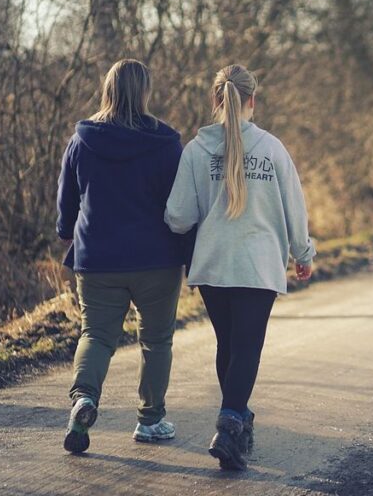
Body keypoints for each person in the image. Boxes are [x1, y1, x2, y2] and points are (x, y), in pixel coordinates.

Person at [164, 64, 316, 470]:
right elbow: (294, 209)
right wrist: (304, 255)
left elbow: (177, 217)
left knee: (228, 346)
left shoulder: (196, 151)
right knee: (247, 347)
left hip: (213, 265)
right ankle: (230, 424)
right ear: (252, 100)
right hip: (257, 264)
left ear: (215, 100)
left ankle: (237, 420)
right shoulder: (271, 149)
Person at [56, 59, 189, 453]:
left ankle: (84, 398)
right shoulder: (166, 143)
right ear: (144, 91)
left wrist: (67, 231)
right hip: (157, 259)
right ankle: (150, 421)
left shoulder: (82, 139)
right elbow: (181, 205)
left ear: (108, 88)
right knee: (156, 340)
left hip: (97, 259)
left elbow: (67, 201)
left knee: (96, 334)